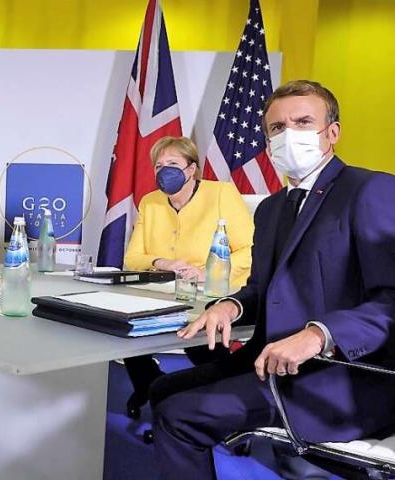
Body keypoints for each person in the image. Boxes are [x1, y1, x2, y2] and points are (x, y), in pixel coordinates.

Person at [149, 80, 395, 479]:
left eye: (303, 122)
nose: (289, 134)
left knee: (179, 416)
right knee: (161, 390)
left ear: (332, 132)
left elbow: (391, 300)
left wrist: (320, 333)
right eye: (277, 128)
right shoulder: (270, 208)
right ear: (267, 142)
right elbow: (263, 289)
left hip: (342, 377)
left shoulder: (371, 190)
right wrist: (231, 305)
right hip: (269, 362)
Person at [121, 136, 254, 418]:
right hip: (167, 290)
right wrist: (163, 262)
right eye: (159, 166)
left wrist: (208, 272)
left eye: (172, 163)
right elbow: (133, 258)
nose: (164, 171)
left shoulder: (221, 194)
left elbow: (249, 250)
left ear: (191, 169)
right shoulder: (150, 202)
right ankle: (148, 383)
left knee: (196, 332)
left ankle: (222, 402)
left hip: (213, 292)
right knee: (126, 320)